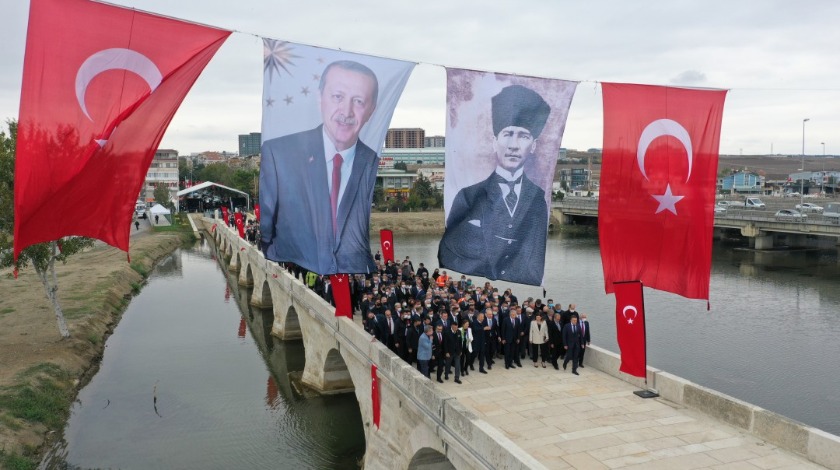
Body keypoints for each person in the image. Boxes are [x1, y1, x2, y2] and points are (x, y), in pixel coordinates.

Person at [260, 60, 380, 275]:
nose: (347, 111)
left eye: (359, 101)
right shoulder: (280, 153)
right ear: (319, 98)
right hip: (296, 260)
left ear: (371, 110)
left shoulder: (372, 162)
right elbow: (268, 222)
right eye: (337, 97)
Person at [438, 84, 550, 286]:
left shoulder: (538, 200)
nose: (513, 146)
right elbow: (449, 250)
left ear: (533, 146)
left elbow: (535, 257)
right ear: (494, 141)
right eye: (507, 134)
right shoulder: (469, 196)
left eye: (523, 136)